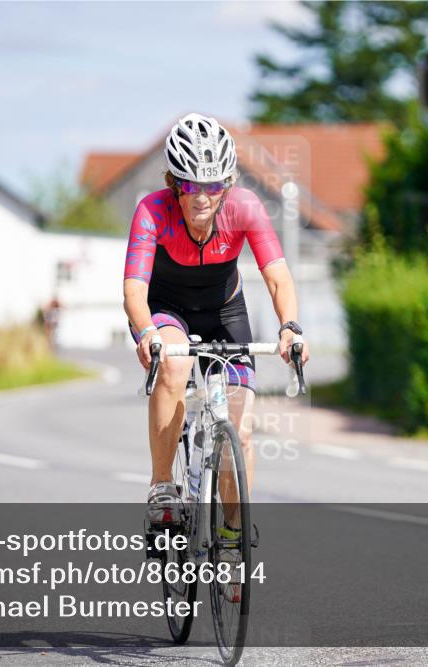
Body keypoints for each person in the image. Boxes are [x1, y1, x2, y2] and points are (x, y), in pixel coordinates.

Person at [122, 113, 309, 533]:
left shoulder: (244, 206)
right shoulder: (152, 212)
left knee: (240, 433)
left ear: (227, 183)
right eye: (190, 185)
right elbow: (134, 290)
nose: (202, 197)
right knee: (175, 364)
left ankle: (232, 533)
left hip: (225, 310)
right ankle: (163, 485)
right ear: (175, 185)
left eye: (213, 185)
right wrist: (148, 334)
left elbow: (277, 276)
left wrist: (290, 327)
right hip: (166, 310)